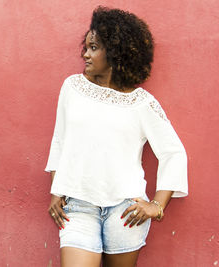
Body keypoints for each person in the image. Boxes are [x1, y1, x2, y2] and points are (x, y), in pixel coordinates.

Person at [44, 6, 188, 267]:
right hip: (77, 206)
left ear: (114, 53)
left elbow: (174, 152)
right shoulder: (72, 88)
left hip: (125, 211)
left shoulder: (141, 103)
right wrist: (56, 190)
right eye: (86, 47)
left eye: (94, 47)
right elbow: (60, 140)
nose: (85, 54)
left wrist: (157, 205)